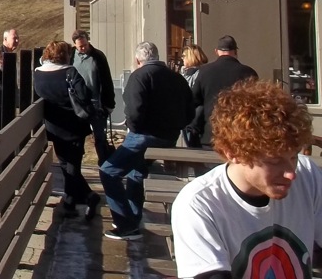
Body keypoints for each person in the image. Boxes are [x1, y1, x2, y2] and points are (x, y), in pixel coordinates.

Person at [171, 80, 322, 279]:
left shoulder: (307, 173)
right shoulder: (198, 204)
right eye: (275, 160)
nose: (290, 173)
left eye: (293, 156)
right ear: (233, 153)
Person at [101, 41, 194, 241]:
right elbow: (190, 110)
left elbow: (134, 110)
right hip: (169, 137)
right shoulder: (177, 78)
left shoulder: (139, 76)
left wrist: (134, 128)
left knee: (108, 171)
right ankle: (133, 219)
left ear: (138, 60)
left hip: (143, 136)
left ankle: (126, 224)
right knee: (136, 173)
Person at [34, 40, 102, 220]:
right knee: (72, 164)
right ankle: (86, 197)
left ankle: (72, 201)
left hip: (53, 125)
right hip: (74, 124)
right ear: (65, 55)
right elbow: (84, 94)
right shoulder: (69, 72)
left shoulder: (38, 74)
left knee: (66, 164)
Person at [188, 35, 257, 148]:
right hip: (239, 135)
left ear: (216, 51)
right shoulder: (248, 73)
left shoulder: (204, 72)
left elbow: (194, 101)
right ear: (235, 51)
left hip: (211, 134)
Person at [71, 30, 116, 164]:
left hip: (96, 104)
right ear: (75, 45)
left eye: (85, 44)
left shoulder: (98, 56)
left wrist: (109, 104)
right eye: (80, 46)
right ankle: (76, 162)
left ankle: (105, 164)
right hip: (78, 105)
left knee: (99, 137)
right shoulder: (71, 56)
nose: (84, 48)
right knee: (77, 137)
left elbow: (107, 81)